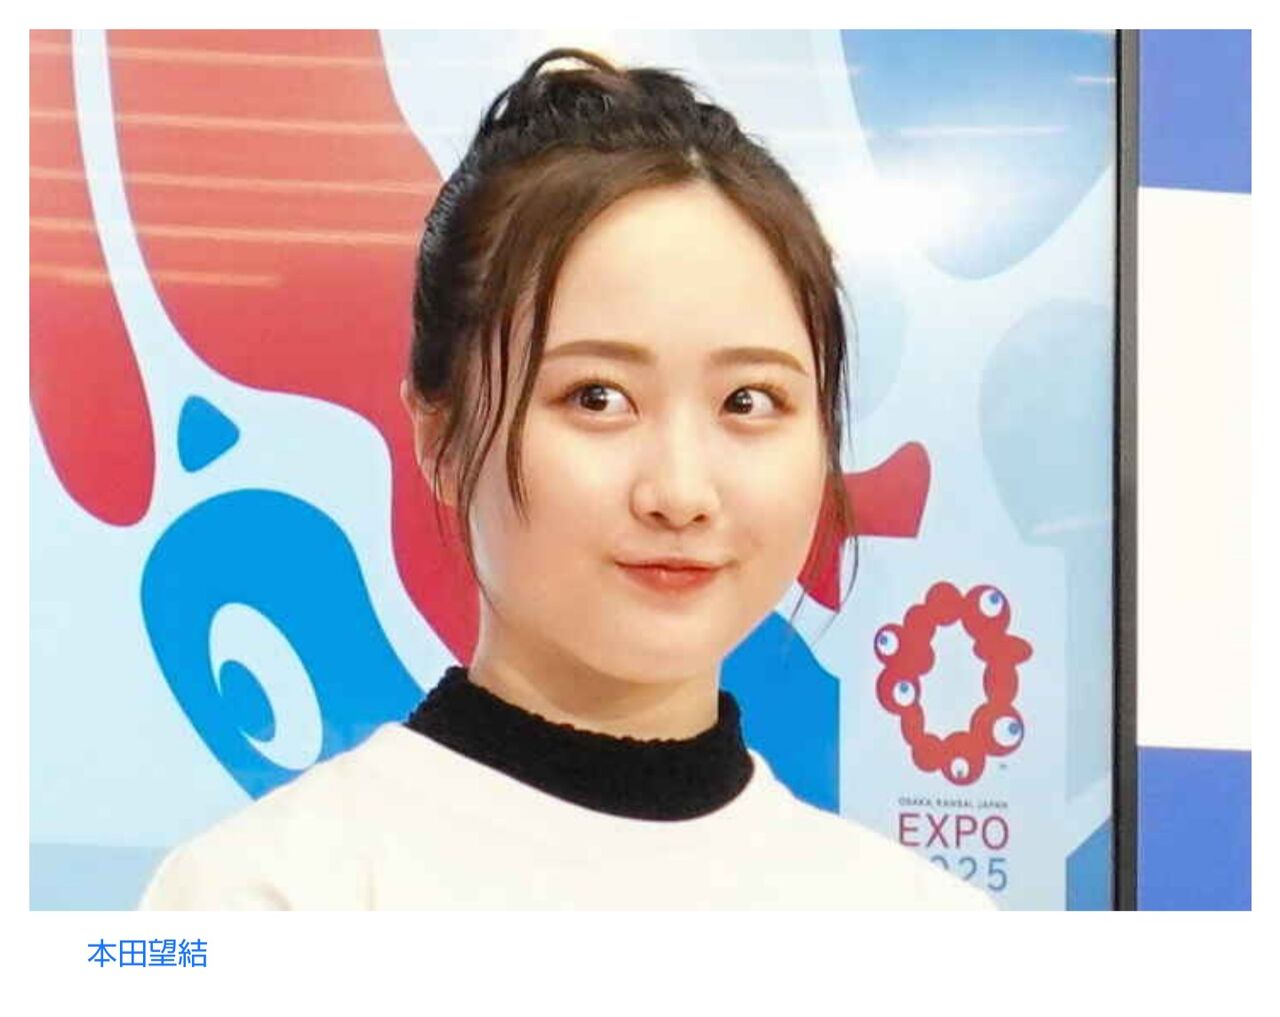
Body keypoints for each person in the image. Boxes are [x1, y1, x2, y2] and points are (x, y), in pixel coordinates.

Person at [140, 47, 993, 910]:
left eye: (748, 399)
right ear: (441, 436)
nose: (680, 493)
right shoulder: (267, 898)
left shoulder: (923, 923)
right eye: (597, 397)